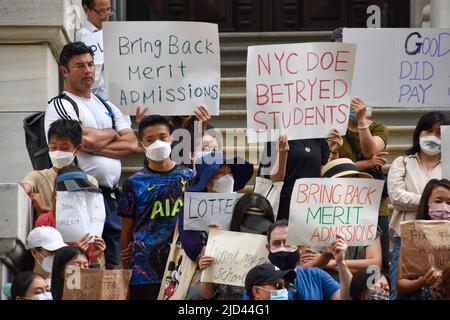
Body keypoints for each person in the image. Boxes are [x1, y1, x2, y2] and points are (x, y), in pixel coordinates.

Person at [45, 41, 138, 268]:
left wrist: (93, 142)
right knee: (81, 261)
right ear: (64, 71)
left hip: (110, 197)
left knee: (113, 261)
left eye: (90, 64)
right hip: (77, 196)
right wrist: (113, 133)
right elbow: (82, 140)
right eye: (80, 66)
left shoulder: (106, 104)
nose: (88, 71)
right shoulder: (61, 105)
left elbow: (132, 144)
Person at [119, 115, 196, 300]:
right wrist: (125, 272)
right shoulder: (133, 183)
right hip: (144, 272)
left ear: (172, 138)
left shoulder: (190, 177)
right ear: (141, 144)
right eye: (150, 139)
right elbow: (126, 232)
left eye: (163, 137)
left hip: (182, 267)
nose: (158, 143)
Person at [387, 111, 449, 299]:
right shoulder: (403, 162)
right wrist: (429, 200)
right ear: (418, 133)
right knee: (401, 290)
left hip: (444, 239)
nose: (432, 136)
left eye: (438, 133)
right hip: (407, 237)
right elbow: (397, 197)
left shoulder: (448, 165)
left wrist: (428, 202)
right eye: (428, 131)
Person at [300, 158, 383, 281]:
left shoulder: (367, 222)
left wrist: (332, 262)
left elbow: (375, 265)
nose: (349, 188)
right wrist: (325, 259)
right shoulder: (309, 220)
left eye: (353, 182)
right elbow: (305, 266)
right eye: (342, 182)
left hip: (356, 288)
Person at [338, 97, 390, 272]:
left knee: (379, 256)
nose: (355, 107)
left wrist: (361, 121)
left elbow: (370, 150)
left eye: (359, 103)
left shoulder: (378, 128)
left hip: (374, 202)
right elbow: (333, 169)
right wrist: (366, 164)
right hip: (343, 199)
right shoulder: (336, 131)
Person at [179, 152, 255, 263]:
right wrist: (200, 256)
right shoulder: (192, 205)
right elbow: (188, 237)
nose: (228, 177)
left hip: (237, 261)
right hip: (207, 264)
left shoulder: (241, 203)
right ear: (207, 181)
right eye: (221, 173)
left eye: (229, 172)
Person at [257, 129, 342, 220]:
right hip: (284, 207)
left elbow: (324, 175)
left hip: (311, 207)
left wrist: (333, 152)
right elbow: (276, 179)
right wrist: (282, 153)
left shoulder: (319, 138)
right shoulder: (276, 135)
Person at [20, 119, 97, 216]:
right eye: (53, 147)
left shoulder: (89, 181)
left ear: (77, 149)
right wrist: (22, 189)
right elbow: (22, 188)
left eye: (64, 148)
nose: (57, 152)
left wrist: (46, 209)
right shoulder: (37, 177)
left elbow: (84, 217)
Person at [34, 165, 106, 267]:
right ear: (58, 195)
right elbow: (44, 266)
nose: (79, 196)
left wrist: (94, 257)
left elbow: (92, 274)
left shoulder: (91, 224)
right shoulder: (45, 222)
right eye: (74, 192)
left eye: (82, 191)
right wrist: (74, 253)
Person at [265, 220, 352, 300]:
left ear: (299, 248)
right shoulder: (258, 280)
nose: (282, 248)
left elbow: (345, 298)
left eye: (288, 243)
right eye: (276, 244)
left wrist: (341, 262)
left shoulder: (316, 275)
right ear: (268, 248)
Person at [396, 179, 450, 300]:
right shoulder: (412, 235)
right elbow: (400, 284)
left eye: (449, 202)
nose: (444, 207)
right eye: (438, 201)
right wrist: (422, 282)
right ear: (427, 203)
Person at [75, 0, 114, 99]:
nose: (106, 16)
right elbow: (89, 78)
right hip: (101, 101)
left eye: (108, 10)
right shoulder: (84, 36)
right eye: (101, 12)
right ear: (86, 9)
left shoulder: (112, 33)